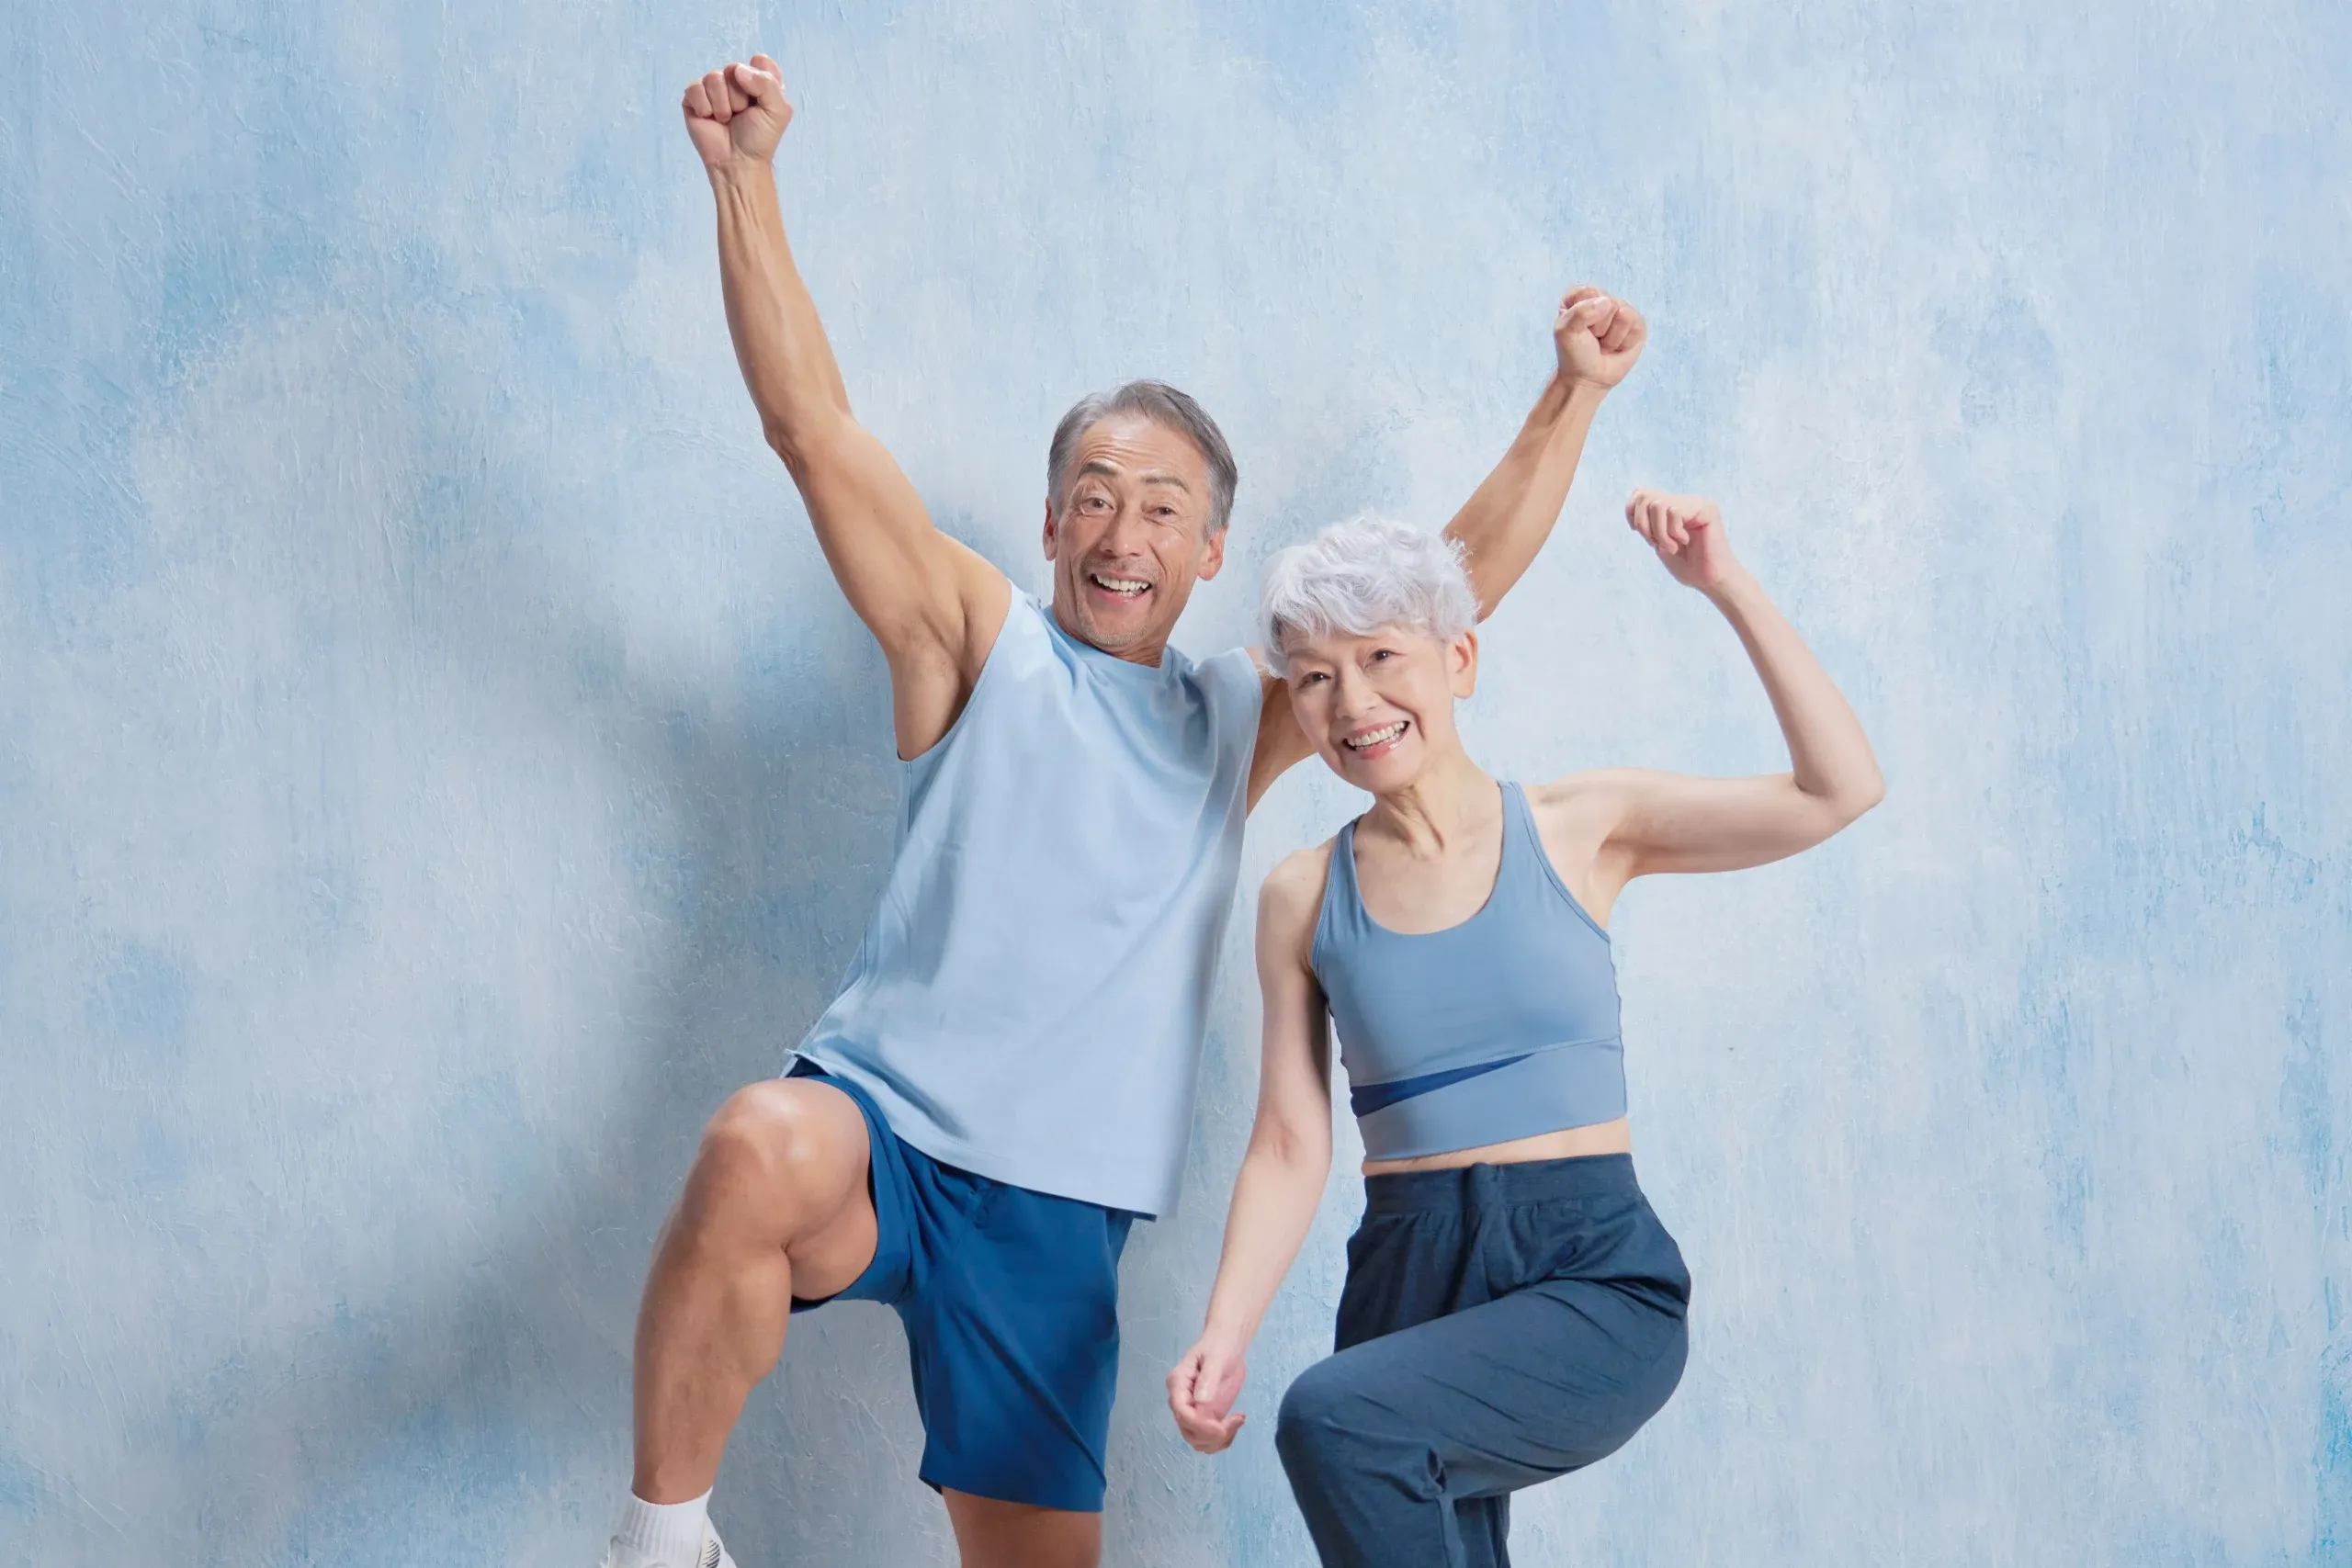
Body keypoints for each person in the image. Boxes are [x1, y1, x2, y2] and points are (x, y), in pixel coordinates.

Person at [599, 53, 1651, 1568]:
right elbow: (817, 433)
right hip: (879, 1137)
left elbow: (1452, 580)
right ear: (1046, 525)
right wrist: (743, 176)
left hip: (1053, 1223)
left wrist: (1574, 392)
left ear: (1210, 550)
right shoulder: (971, 640)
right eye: (1093, 491)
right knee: (757, 1142)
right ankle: (660, 1545)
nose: (1122, 524)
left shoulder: (1234, 718)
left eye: (1163, 504)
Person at [1165, 497, 1883, 1566]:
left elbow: (1839, 789)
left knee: (1338, 1422)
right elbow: (1287, 1139)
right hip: (1407, 1271)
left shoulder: (1581, 825)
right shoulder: (1302, 895)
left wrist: (1724, 584)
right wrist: (1222, 1337)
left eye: (1379, 656)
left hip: (1588, 1263)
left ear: (1458, 658)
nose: (1352, 700)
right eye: (1314, 677)